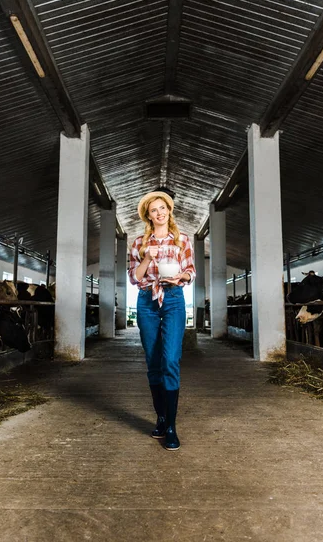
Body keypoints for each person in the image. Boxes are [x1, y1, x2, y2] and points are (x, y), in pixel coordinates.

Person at [128, 191, 196, 451]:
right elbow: (135, 277)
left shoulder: (182, 240)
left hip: (173, 299)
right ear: (148, 215)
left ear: (169, 210)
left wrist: (180, 278)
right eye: (154, 210)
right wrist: (147, 257)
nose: (160, 213)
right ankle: (161, 417)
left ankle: (171, 427)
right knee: (153, 361)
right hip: (146, 301)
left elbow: (191, 271)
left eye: (163, 208)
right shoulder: (138, 242)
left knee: (170, 359)